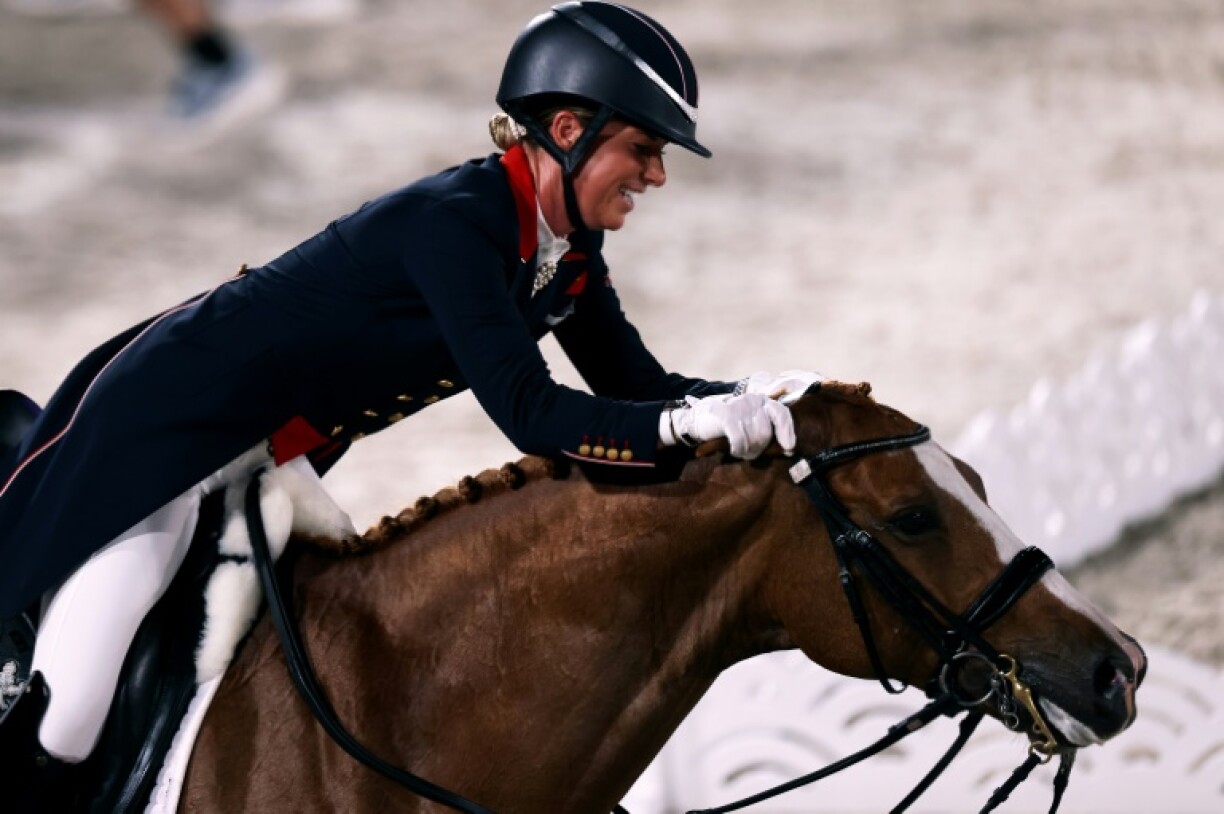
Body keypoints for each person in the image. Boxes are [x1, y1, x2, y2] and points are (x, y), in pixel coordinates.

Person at [0, 2, 812, 808]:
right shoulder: (454, 227)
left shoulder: (567, 250)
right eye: (643, 148)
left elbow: (635, 383)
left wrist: (751, 395)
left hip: (261, 453)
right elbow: (532, 414)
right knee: (66, 716)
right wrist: (682, 428)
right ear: (568, 129)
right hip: (164, 436)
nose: (656, 175)